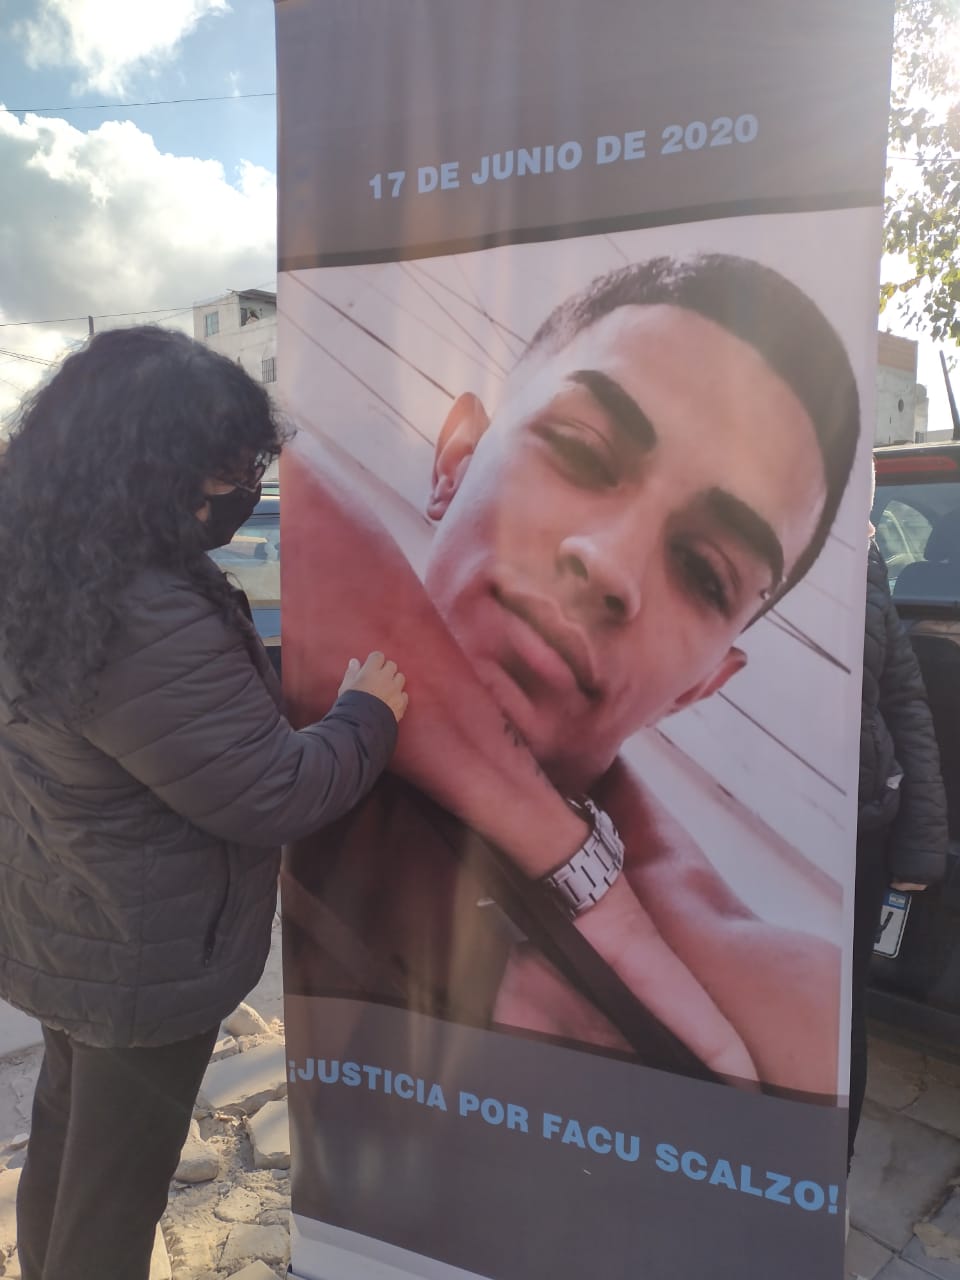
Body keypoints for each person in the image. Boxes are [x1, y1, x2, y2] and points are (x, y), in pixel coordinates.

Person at [280, 252, 861, 1097]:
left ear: (704, 684)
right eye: (584, 453)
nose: (610, 565)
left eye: (704, 571)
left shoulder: (750, 983)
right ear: (455, 463)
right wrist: (575, 869)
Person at [0, 326, 408, 1280]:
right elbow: (274, 789)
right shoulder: (143, 612)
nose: (236, 499)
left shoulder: (43, 564)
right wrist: (368, 714)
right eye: (222, 479)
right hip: (144, 957)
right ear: (150, 471)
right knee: (114, 1196)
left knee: (68, 1151)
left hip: (64, 923)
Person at [851, 526, 947, 1162]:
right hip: (744, 826)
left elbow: (906, 706)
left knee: (837, 1017)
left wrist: (919, 844)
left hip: (854, 835)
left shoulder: (865, 567)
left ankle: (829, 1179)